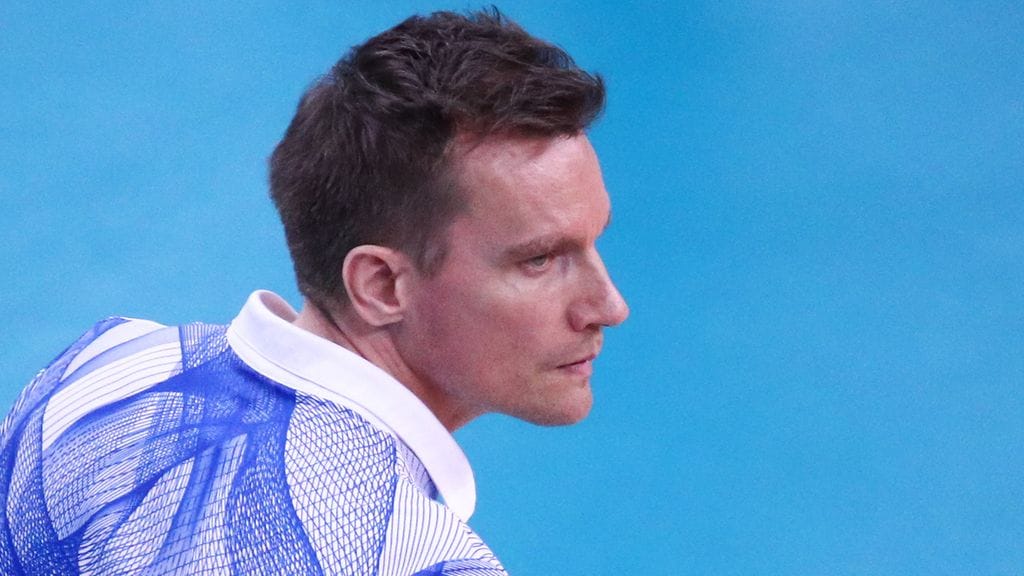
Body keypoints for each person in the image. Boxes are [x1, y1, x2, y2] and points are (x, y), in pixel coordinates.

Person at [0, 8, 628, 575]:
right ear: (381, 285)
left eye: (593, 241)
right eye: (540, 260)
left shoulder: (100, 366)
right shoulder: (416, 559)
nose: (608, 306)